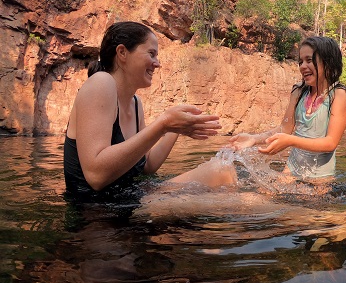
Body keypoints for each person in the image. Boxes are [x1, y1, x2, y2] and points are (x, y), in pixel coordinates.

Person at [63, 21, 236, 197]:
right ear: (122, 52)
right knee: (222, 176)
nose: (157, 63)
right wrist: (164, 124)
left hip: (130, 203)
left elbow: (147, 166)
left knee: (224, 170)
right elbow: (96, 176)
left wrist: (175, 128)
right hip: (97, 215)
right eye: (151, 54)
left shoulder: (135, 103)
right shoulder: (101, 83)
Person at [229, 36, 346, 179]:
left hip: (320, 179)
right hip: (290, 172)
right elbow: (284, 129)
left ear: (328, 62)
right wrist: (254, 139)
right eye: (300, 62)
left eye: (309, 60)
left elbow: (330, 143)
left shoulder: (339, 95)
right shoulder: (299, 92)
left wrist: (291, 141)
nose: (302, 66)